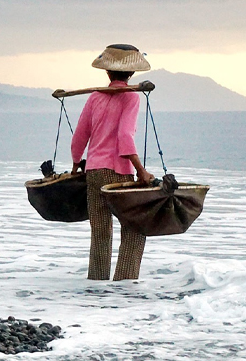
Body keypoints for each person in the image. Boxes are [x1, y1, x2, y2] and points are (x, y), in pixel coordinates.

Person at [71, 44, 155, 281]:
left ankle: (97, 288)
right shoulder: (130, 97)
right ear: (131, 74)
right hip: (117, 172)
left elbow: (79, 137)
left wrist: (77, 164)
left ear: (108, 73)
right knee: (135, 229)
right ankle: (124, 288)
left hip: (94, 171)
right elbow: (124, 137)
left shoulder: (95, 97)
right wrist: (141, 171)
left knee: (100, 232)